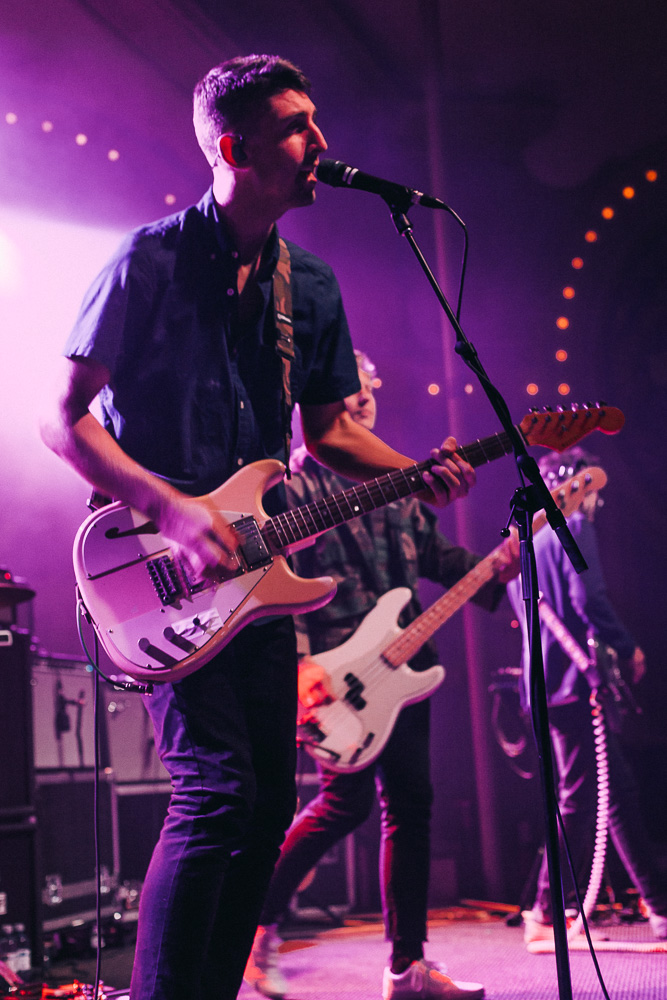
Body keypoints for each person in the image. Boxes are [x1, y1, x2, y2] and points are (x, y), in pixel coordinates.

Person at [39, 55, 477, 1000]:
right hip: (153, 567)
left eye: (316, 120)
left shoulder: (308, 285)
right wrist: (171, 508)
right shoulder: (146, 261)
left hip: (261, 571)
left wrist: (416, 474)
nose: (321, 143)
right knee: (215, 795)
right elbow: (60, 414)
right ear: (234, 148)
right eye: (296, 126)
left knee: (270, 797)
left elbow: (325, 432)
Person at [244, 350, 518, 1000]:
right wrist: (302, 663)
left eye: (368, 388)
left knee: (411, 809)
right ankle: (256, 926)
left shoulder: (400, 483)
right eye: (349, 390)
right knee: (344, 804)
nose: (362, 398)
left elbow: (435, 556)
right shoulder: (296, 484)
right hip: (334, 671)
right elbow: (274, 581)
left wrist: (497, 566)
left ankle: (407, 968)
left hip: (404, 666)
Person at [506, 447, 667, 946]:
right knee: (582, 798)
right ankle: (544, 912)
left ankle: (659, 906)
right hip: (575, 683)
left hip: (545, 682)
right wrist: (627, 647)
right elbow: (588, 597)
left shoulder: (522, 540)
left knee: (614, 794)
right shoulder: (571, 524)